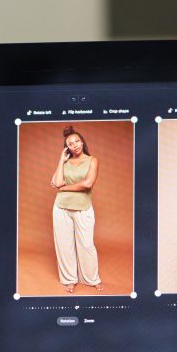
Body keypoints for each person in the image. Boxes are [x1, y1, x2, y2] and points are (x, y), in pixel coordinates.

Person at [50, 125, 101, 294]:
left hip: (83, 208)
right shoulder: (65, 162)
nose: (75, 145)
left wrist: (64, 188)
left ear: (82, 141)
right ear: (67, 147)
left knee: (86, 245)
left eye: (77, 141)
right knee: (65, 246)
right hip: (61, 208)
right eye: (70, 144)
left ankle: (91, 279)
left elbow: (88, 184)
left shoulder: (92, 160)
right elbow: (57, 182)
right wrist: (60, 160)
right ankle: (69, 279)